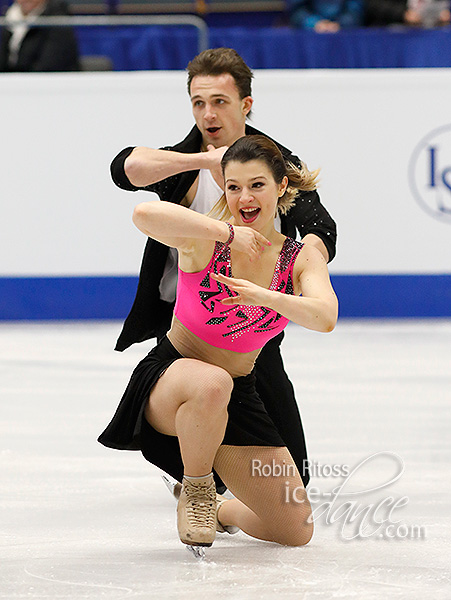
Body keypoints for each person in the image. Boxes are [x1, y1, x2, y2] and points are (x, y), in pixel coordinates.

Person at [109, 48, 337, 492]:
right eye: (198, 102)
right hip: (184, 316)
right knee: (201, 392)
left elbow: (317, 224)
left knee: (296, 475)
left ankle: (226, 484)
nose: (208, 113)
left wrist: (311, 258)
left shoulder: (271, 161)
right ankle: (198, 481)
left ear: (245, 105)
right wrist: (204, 162)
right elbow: (125, 169)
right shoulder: (183, 161)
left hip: (249, 322)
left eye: (220, 102)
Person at [99, 135, 338, 548]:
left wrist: (266, 296)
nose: (244, 197)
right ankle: (197, 489)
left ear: (281, 187)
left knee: (295, 529)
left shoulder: (300, 257)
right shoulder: (206, 240)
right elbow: (144, 214)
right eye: (233, 186)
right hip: (172, 382)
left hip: (236, 393)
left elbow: (325, 316)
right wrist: (226, 233)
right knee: (212, 383)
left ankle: (223, 509)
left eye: (257, 185)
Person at [0, 0, 80, 72]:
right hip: (16, 82)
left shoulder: (58, 19)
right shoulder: (9, 18)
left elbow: (50, 65)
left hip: (53, 83)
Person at [287, 0, 364, 31]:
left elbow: (354, 10)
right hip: (308, 37)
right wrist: (314, 23)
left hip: (346, 35)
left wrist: (339, 24)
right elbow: (296, 10)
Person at [365, 0, 450, 28]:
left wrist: (446, 15)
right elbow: (374, 5)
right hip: (397, 33)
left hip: (435, 36)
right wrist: (402, 14)